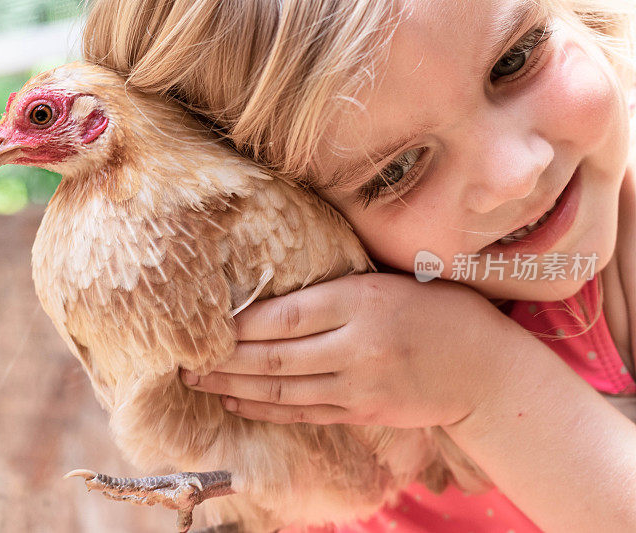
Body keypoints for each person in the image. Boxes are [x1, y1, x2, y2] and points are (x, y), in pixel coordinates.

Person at [82, 0, 636, 530]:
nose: (517, 173)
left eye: (515, 59)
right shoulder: (303, 393)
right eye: (399, 170)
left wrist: (487, 382)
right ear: (292, 223)